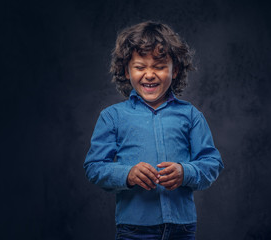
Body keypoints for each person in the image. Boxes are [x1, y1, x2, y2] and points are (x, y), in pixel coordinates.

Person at [84, 21, 224, 240]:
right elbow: (94, 167)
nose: (149, 74)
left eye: (159, 67)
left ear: (175, 70)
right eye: (140, 67)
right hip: (133, 229)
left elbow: (212, 163)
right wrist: (127, 174)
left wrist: (185, 172)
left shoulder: (191, 115)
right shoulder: (112, 117)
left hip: (182, 228)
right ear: (126, 71)